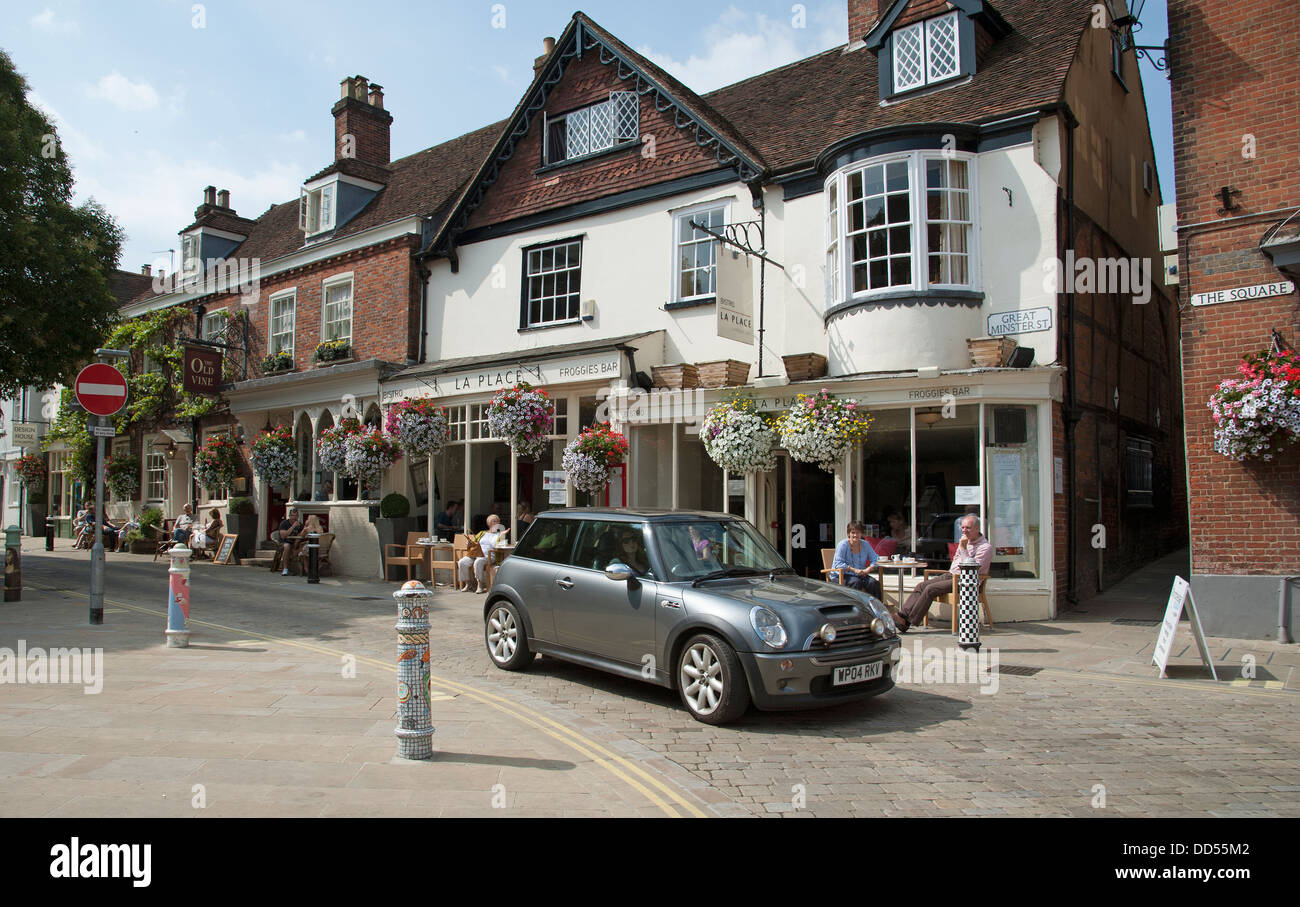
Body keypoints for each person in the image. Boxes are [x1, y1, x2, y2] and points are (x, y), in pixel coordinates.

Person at [895, 513, 992, 632]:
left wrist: (962, 548)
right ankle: (902, 615)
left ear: (977, 529)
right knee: (921, 586)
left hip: (967, 581)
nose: (964, 531)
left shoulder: (984, 547)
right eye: (962, 527)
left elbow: (970, 569)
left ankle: (908, 621)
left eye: (968, 528)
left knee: (930, 589)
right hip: (952, 575)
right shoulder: (966, 541)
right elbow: (956, 561)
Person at [830, 521, 883, 599]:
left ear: (861, 533)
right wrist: (854, 570)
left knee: (873, 583)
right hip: (841, 575)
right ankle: (855, 608)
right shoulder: (843, 545)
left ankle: (877, 609)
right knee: (856, 582)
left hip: (860, 575)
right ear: (849, 534)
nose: (855, 535)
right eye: (852, 532)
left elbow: (876, 559)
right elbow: (838, 564)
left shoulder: (865, 544)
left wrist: (868, 569)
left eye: (857, 532)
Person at [458, 514, 508, 593]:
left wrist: (502, 535)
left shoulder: (499, 534)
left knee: (479, 561)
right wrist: (469, 543)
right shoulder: (482, 533)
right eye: (494, 521)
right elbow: (474, 542)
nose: (497, 523)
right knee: (462, 562)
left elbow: (497, 546)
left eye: (498, 521)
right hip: (476, 554)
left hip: (489, 556)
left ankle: (480, 585)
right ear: (489, 523)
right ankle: (467, 584)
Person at [276, 510, 305, 575]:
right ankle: (285, 569)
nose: (294, 517)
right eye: (292, 515)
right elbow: (283, 536)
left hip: (295, 543)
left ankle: (304, 570)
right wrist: (293, 527)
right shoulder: (284, 523)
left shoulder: (300, 525)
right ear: (289, 516)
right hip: (284, 543)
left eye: (296, 516)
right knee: (287, 546)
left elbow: (301, 536)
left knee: (305, 546)